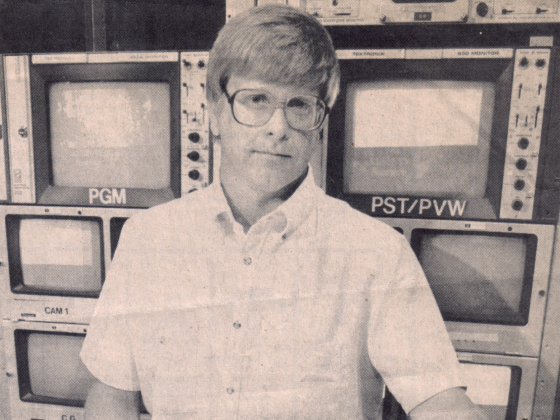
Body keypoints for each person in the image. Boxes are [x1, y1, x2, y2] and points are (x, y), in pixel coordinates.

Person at [81, 4, 487, 420]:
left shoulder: (378, 253)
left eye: (299, 104)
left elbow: (440, 401)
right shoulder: (148, 239)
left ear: (319, 121)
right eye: (256, 99)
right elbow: (112, 394)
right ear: (214, 111)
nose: (278, 126)